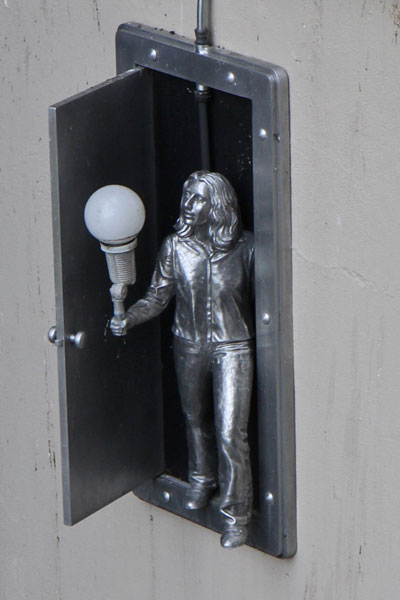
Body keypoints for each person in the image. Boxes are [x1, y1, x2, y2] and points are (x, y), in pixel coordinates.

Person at [111, 171, 254, 548]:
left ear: (218, 205)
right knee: (195, 419)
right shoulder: (175, 247)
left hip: (233, 346)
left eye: (198, 198)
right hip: (189, 343)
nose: (188, 205)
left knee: (230, 431)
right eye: (186, 196)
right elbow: (157, 297)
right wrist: (129, 317)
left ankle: (236, 514)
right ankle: (201, 479)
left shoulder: (246, 248)